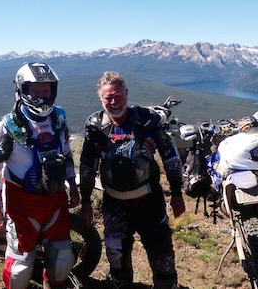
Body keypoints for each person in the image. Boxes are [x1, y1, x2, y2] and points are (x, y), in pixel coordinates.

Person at [79, 71, 185, 289]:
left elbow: (170, 157)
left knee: (163, 258)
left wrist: (176, 193)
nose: (114, 101)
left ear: (126, 93)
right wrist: (86, 201)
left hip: (149, 201)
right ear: (101, 98)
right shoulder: (95, 127)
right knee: (117, 258)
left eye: (118, 95)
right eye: (108, 98)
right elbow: (87, 166)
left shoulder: (147, 120)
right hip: (114, 204)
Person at [0, 62, 80, 289]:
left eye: (47, 90)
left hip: (55, 199)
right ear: (22, 90)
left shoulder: (59, 119)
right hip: (22, 204)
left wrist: (73, 186)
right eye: (36, 90)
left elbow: (66, 154)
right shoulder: (7, 127)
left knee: (63, 258)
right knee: (19, 268)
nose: (43, 95)